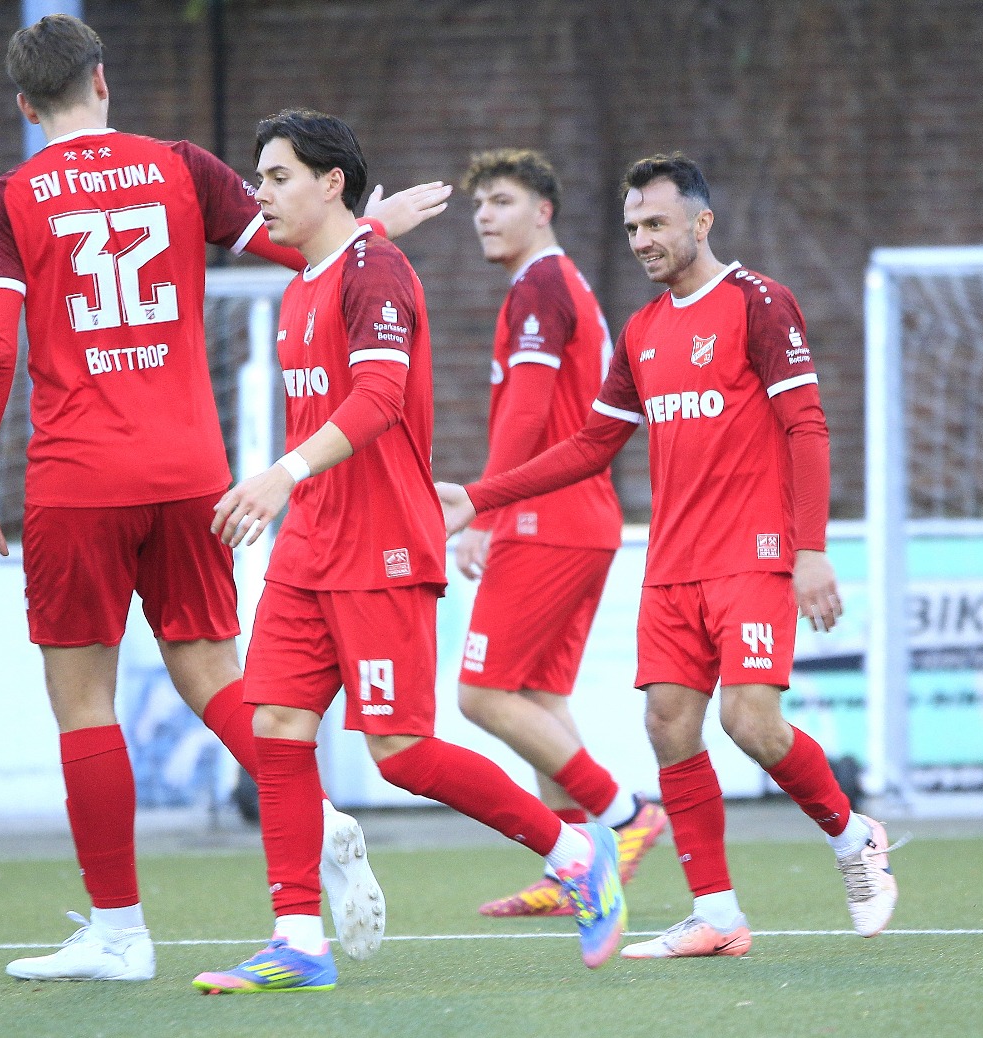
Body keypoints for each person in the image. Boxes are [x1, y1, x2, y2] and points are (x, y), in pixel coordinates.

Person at [0, 14, 447, 982]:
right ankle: (319, 819)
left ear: (24, 104)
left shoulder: (9, 198)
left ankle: (120, 934)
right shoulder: (178, 165)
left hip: (80, 480)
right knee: (215, 678)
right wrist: (374, 227)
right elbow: (297, 251)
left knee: (83, 704)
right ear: (102, 81)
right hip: (192, 475)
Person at [191, 110, 624, 994]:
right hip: (311, 546)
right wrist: (292, 491)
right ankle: (297, 940)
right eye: (260, 179)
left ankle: (575, 849)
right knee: (276, 726)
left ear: (330, 183)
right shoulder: (309, 279)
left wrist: (279, 472)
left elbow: (382, 396)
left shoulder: (376, 270)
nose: (260, 194)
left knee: (400, 751)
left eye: (276, 177)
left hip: (382, 548)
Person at [439, 153, 897, 959]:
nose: (644, 240)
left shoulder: (760, 303)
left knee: (748, 719)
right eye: (632, 228)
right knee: (668, 725)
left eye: (656, 223)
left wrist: (811, 548)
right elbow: (590, 444)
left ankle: (852, 834)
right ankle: (715, 912)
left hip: (754, 554)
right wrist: (482, 497)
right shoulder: (643, 330)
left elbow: (808, 428)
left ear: (701, 222)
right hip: (673, 560)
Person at [456, 149, 666, 918]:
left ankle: (625, 815)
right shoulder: (551, 283)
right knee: (538, 695)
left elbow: (529, 411)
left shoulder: (542, 283)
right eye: (480, 203)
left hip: (550, 517)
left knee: (481, 695)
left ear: (542, 211)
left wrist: (485, 510)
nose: (485, 214)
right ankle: (576, 864)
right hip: (579, 517)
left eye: (502, 200)